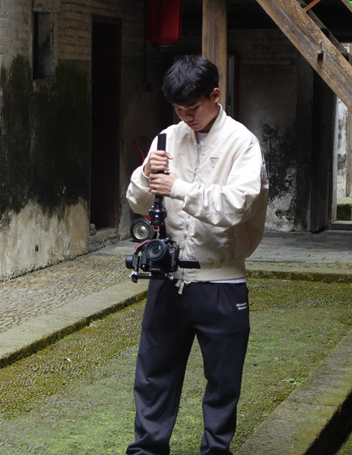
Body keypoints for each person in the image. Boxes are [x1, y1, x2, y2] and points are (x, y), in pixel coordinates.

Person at [125, 55, 269, 455]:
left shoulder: (242, 143)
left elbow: (237, 206)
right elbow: (137, 202)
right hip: (169, 279)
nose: (186, 118)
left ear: (215, 95)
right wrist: (145, 174)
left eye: (193, 108)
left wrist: (178, 187)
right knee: (153, 376)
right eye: (178, 110)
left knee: (223, 381)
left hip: (222, 279)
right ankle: (147, 451)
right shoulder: (167, 138)